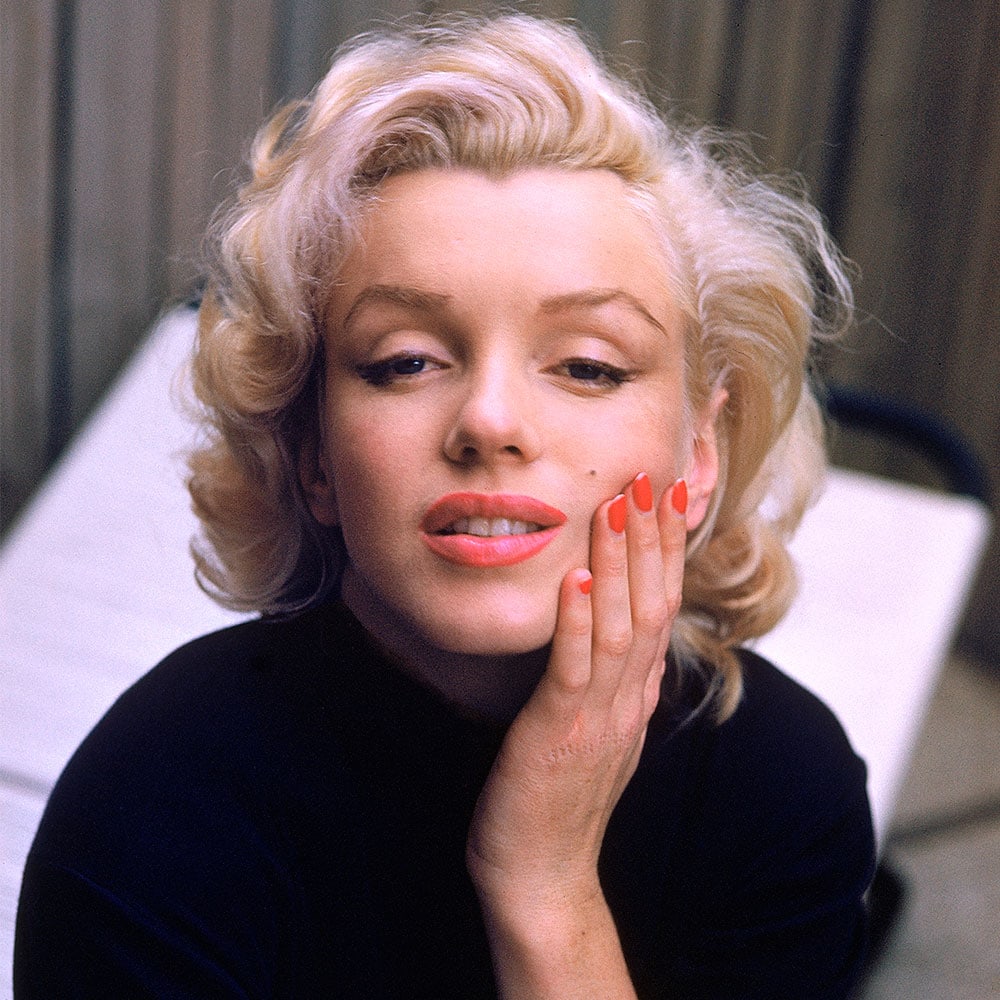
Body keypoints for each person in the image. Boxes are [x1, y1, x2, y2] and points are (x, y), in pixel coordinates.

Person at [15, 13, 875, 999]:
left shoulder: (783, 787)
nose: (490, 420)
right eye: (405, 362)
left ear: (702, 450)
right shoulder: (148, 809)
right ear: (312, 451)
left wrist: (545, 887)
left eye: (588, 366)